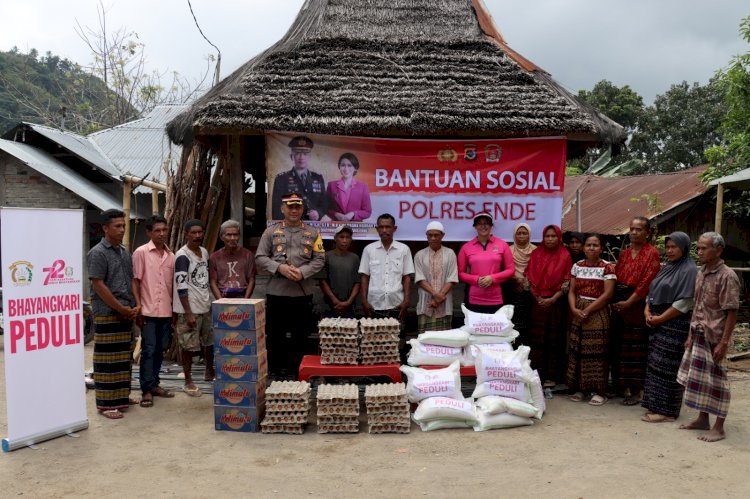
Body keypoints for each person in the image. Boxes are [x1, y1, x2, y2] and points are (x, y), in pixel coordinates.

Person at [677, 232, 740, 442]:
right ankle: (702, 419)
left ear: (718, 250)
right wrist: (689, 334)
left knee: (718, 383)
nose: (700, 252)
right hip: (698, 332)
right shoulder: (701, 272)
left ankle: (719, 427)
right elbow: (697, 305)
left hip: (716, 336)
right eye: (699, 248)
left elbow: (732, 311)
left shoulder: (727, 276)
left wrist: (723, 342)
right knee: (699, 380)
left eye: (704, 248)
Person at [256, 193, 326, 378]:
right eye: (290, 206)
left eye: (297, 207)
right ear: (282, 208)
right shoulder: (270, 232)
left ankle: (299, 370)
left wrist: (302, 272)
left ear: (302, 209)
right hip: (277, 292)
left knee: (301, 335)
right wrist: (280, 268)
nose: (294, 210)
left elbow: (320, 259)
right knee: (275, 334)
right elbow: (260, 258)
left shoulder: (312, 233)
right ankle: (276, 371)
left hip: (302, 293)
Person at [87, 209, 139, 419]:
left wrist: (134, 305)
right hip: (108, 311)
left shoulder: (124, 251)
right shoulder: (98, 252)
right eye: (117, 226)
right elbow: (98, 285)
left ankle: (121, 397)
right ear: (105, 228)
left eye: (123, 225)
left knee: (124, 357)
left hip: (126, 311)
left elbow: (130, 280)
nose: (121, 229)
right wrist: (120, 307)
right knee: (107, 359)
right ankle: (107, 405)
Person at [641, 232, 697, 423]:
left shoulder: (689, 270)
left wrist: (660, 319)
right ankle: (655, 405)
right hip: (657, 321)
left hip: (674, 324)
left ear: (684, 248)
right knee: (656, 364)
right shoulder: (668, 267)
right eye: (668, 246)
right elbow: (652, 291)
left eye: (675, 247)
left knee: (668, 367)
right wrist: (647, 311)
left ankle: (667, 411)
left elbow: (685, 303)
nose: (670, 250)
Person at [610, 216, 662, 405]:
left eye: (639, 229)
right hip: (619, 303)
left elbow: (646, 283)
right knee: (620, 346)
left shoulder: (652, 253)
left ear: (647, 233)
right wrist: (617, 302)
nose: (634, 232)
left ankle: (636, 390)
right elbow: (616, 277)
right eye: (632, 229)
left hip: (637, 304)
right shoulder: (624, 254)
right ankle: (620, 386)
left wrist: (629, 303)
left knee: (636, 349)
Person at [566, 233, 616, 406]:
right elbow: (572, 290)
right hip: (578, 311)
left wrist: (587, 310)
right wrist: (574, 309)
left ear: (601, 248)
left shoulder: (607, 267)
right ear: (583, 247)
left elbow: (608, 294)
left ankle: (600, 391)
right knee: (578, 349)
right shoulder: (577, 266)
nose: (591, 248)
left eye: (595, 245)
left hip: (597, 312)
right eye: (588, 245)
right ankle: (581, 388)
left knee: (596, 352)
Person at [132, 215, 176, 408]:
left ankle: (155, 384)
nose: (161, 234)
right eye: (157, 230)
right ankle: (146, 390)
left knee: (160, 349)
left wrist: (174, 310)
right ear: (149, 232)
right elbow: (136, 281)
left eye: (164, 230)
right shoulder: (141, 252)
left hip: (166, 310)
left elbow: (171, 286)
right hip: (148, 310)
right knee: (148, 350)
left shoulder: (171, 256)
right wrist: (138, 307)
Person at [524, 224, 572, 387]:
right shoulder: (536, 254)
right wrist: (538, 298)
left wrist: (552, 299)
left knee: (553, 340)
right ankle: (536, 373)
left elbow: (567, 282)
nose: (550, 239)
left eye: (553, 236)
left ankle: (551, 376)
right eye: (547, 236)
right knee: (536, 339)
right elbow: (528, 279)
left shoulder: (565, 255)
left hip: (555, 305)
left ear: (559, 237)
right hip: (537, 304)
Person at [360, 213, 414, 348]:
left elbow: (407, 277)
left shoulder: (403, 249)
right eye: (381, 227)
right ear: (377, 229)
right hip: (374, 305)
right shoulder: (369, 250)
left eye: (388, 227)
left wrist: (406, 301)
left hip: (397, 305)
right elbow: (364, 277)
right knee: (374, 344)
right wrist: (364, 301)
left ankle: (396, 368)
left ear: (394, 228)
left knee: (396, 345)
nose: (384, 230)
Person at [173, 219, 213, 396]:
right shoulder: (182, 256)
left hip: (204, 306)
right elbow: (181, 286)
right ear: (186, 234)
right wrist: (188, 313)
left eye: (200, 232)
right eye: (193, 233)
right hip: (188, 310)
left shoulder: (203, 252)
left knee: (209, 342)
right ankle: (188, 380)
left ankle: (209, 371)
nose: (197, 236)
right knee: (188, 346)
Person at [457, 213, 514, 313]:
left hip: (496, 298)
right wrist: (476, 279)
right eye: (479, 223)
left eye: (486, 223)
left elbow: (511, 270)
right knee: (474, 328)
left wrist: (493, 278)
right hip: (474, 298)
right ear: (475, 226)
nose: (483, 226)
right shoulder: (466, 247)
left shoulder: (502, 245)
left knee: (495, 328)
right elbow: (460, 273)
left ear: (491, 226)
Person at [413, 221, 459, 334]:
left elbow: (452, 278)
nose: (433, 238)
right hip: (426, 303)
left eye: (436, 235)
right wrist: (436, 295)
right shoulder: (419, 255)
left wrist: (439, 298)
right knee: (425, 340)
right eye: (430, 235)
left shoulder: (450, 254)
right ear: (426, 236)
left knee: (443, 340)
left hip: (445, 303)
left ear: (442, 235)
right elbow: (419, 279)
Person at [271, 136, 326, 221]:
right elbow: (277, 209)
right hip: (290, 228)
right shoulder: (281, 179)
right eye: (297, 153)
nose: (301, 157)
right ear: (291, 156)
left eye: (305, 153)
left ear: (309, 156)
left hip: (313, 228)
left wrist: (318, 213)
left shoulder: (318, 178)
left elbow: (324, 204)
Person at [504, 223, 536, 342]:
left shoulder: (536, 251)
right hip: (513, 291)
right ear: (514, 235)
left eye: (524, 233)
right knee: (514, 322)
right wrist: (514, 281)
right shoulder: (508, 250)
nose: (521, 236)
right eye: (519, 233)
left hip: (532, 291)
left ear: (529, 235)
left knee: (529, 322)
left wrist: (527, 282)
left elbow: (538, 270)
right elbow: (505, 269)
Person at [320, 225, 360, 317]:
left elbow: (357, 282)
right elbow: (322, 281)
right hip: (329, 305)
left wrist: (348, 302)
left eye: (348, 237)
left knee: (349, 330)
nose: (345, 241)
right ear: (335, 238)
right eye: (341, 237)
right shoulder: (326, 257)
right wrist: (335, 301)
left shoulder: (355, 258)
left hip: (349, 306)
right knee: (329, 331)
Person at [209, 220, 256, 299]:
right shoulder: (214, 257)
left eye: (235, 235)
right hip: (222, 296)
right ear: (221, 237)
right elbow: (213, 282)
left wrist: (245, 301)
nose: (232, 238)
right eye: (229, 235)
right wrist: (221, 301)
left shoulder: (248, 255)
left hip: (243, 296)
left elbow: (251, 279)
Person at [326, 152, 372, 222]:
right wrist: (335, 214)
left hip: (356, 229)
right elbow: (326, 208)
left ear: (355, 168)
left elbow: (367, 212)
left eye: (349, 165)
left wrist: (353, 214)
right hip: (336, 227)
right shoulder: (331, 185)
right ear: (339, 167)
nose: (346, 169)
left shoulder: (363, 187)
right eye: (343, 165)